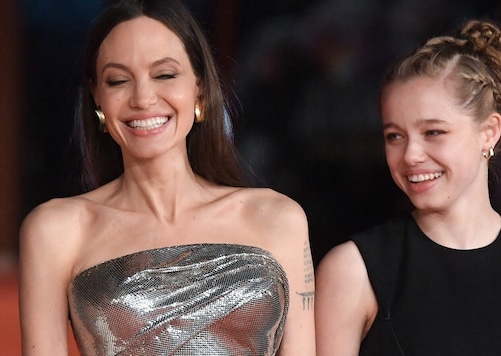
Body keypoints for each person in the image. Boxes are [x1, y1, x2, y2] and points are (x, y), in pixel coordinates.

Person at [19, 0, 315, 355]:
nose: (143, 98)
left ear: (200, 89)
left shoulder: (278, 218)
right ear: (97, 97)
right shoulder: (57, 230)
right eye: (118, 80)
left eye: (164, 75)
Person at [315, 19, 501, 355]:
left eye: (433, 132)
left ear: (489, 132)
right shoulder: (352, 270)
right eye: (395, 136)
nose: (410, 155)